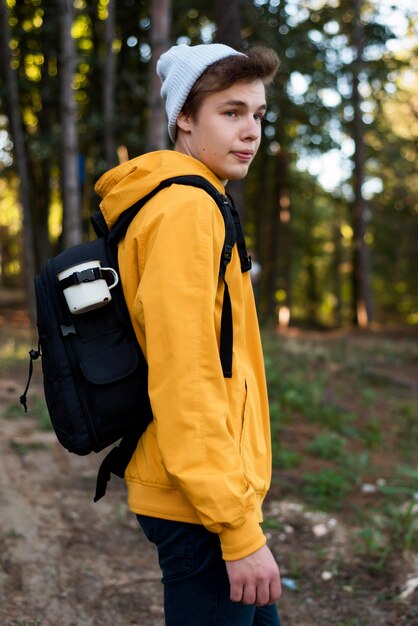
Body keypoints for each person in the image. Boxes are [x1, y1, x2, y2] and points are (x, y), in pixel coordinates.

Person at [94, 42, 282, 626]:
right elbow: (188, 377)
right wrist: (236, 529)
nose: (250, 130)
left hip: (209, 490)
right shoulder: (185, 211)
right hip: (198, 503)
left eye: (257, 114)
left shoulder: (192, 201)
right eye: (231, 113)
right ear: (183, 118)